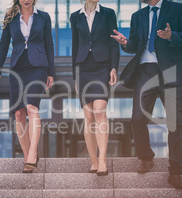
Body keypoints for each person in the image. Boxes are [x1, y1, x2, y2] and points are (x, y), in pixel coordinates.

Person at [111, 0, 182, 189]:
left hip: (172, 69)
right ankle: (146, 158)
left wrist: (171, 35)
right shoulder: (137, 16)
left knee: (175, 121)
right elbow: (134, 45)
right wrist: (125, 43)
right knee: (138, 117)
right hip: (146, 71)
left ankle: (175, 170)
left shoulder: (177, 8)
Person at [0, 0, 54, 173]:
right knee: (19, 113)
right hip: (17, 68)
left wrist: (51, 72)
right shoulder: (11, 17)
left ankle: (33, 153)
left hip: (38, 67)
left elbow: (49, 44)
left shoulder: (44, 17)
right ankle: (27, 157)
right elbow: (4, 45)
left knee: (32, 107)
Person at [70, 0, 119, 176]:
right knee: (89, 116)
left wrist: (114, 67)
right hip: (83, 68)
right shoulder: (75, 16)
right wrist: (75, 76)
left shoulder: (108, 14)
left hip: (102, 67)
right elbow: (75, 47)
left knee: (99, 111)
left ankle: (103, 160)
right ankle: (93, 161)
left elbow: (114, 43)